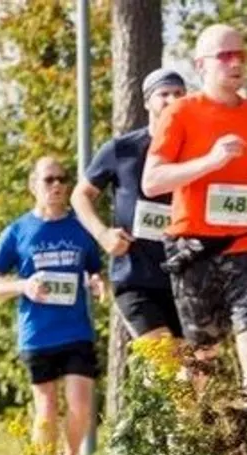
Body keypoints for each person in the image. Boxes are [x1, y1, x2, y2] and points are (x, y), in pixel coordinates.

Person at [141, 23, 247, 386]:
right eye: (225, 55)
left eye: (241, 55)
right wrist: (210, 161)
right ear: (201, 64)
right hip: (195, 248)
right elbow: (152, 180)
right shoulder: (180, 113)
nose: (236, 62)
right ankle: (197, 439)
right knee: (202, 358)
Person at [0, 156, 106, 455]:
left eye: (62, 179)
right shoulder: (17, 231)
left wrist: (97, 283)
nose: (56, 185)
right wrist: (23, 286)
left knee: (81, 404)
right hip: (37, 332)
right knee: (47, 407)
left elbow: (94, 270)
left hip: (76, 330)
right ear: (33, 185)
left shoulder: (80, 229)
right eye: (49, 179)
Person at [74, 68, 189, 343]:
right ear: (147, 101)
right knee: (165, 363)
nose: (172, 100)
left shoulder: (196, 151)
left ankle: (150, 386)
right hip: (136, 278)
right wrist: (103, 235)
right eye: (164, 94)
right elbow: (80, 195)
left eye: (179, 94)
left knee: (193, 375)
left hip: (186, 278)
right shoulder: (121, 149)